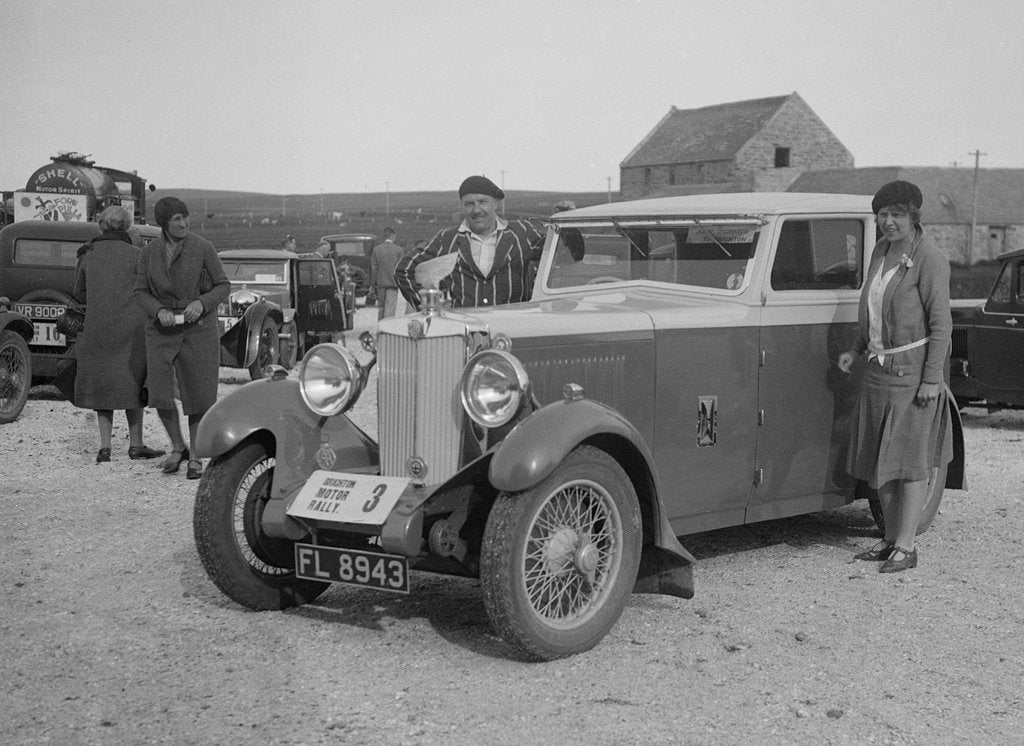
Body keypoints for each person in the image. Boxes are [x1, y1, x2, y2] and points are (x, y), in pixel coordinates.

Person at [838, 180, 953, 573]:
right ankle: (889, 539)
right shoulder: (880, 251)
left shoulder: (930, 259)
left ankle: (907, 546)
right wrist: (855, 351)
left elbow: (941, 326)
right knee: (878, 462)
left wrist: (931, 380)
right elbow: (871, 309)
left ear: (914, 217)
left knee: (908, 462)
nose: (889, 222)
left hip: (911, 375)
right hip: (876, 372)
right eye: (883, 215)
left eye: (897, 215)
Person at [134, 197, 230, 479]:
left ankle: (197, 456)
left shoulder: (203, 247)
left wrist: (202, 302)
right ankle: (178, 447)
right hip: (161, 330)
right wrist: (158, 310)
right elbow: (140, 291)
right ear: (164, 223)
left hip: (197, 328)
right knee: (161, 394)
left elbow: (224, 285)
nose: (183, 223)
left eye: (185, 217)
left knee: (198, 393)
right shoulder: (149, 253)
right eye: (176, 219)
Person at [72, 206, 165, 464]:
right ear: (126, 227)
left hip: (97, 329)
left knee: (103, 385)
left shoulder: (87, 255)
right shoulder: (138, 255)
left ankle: (105, 448)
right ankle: (136, 445)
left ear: (101, 226)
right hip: (132, 329)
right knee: (133, 383)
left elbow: (79, 294)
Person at [395, 175, 543, 309]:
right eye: (469, 204)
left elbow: (558, 251)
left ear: (495, 204)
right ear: (462, 206)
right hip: (463, 330)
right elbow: (404, 270)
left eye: (483, 202)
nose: (476, 210)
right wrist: (431, 306)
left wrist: (564, 216)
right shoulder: (447, 239)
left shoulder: (521, 233)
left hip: (510, 329)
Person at [369, 227, 406, 319]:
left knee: (381, 308)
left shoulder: (376, 250)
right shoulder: (399, 250)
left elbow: (374, 269)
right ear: (393, 236)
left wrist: (372, 285)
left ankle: (380, 330)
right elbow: (401, 269)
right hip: (393, 284)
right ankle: (386, 330)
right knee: (390, 309)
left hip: (380, 284)